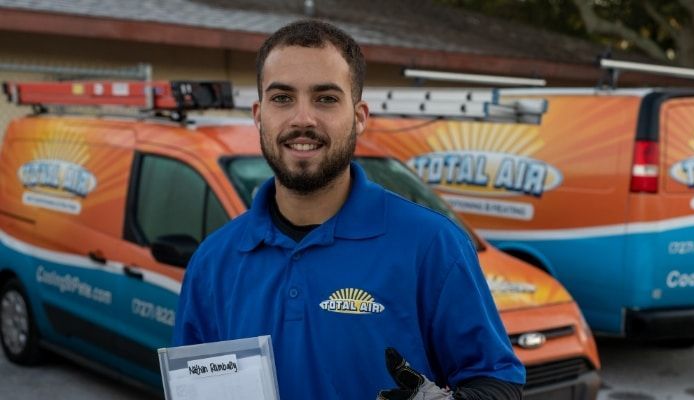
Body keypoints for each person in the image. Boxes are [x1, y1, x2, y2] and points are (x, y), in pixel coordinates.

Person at [172, 19, 525, 400]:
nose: (302, 118)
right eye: (282, 98)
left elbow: (499, 383)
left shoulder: (432, 246)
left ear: (359, 117)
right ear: (259, 115)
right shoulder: (212, 262)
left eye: (325, 98)